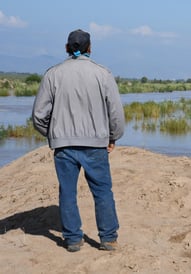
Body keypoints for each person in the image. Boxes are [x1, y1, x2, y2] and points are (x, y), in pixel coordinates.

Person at [32, 29, 125, 252]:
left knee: (67, 191)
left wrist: (53, 133)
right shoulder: (103, 73)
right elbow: (116, 113)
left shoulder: (52, 74)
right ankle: (108, 238)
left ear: (67, 48)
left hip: (64, 146)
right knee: (102, 191)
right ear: (89, 48)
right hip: (96, 145)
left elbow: (38, 115)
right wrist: (113, 136)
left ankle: (73, 239)